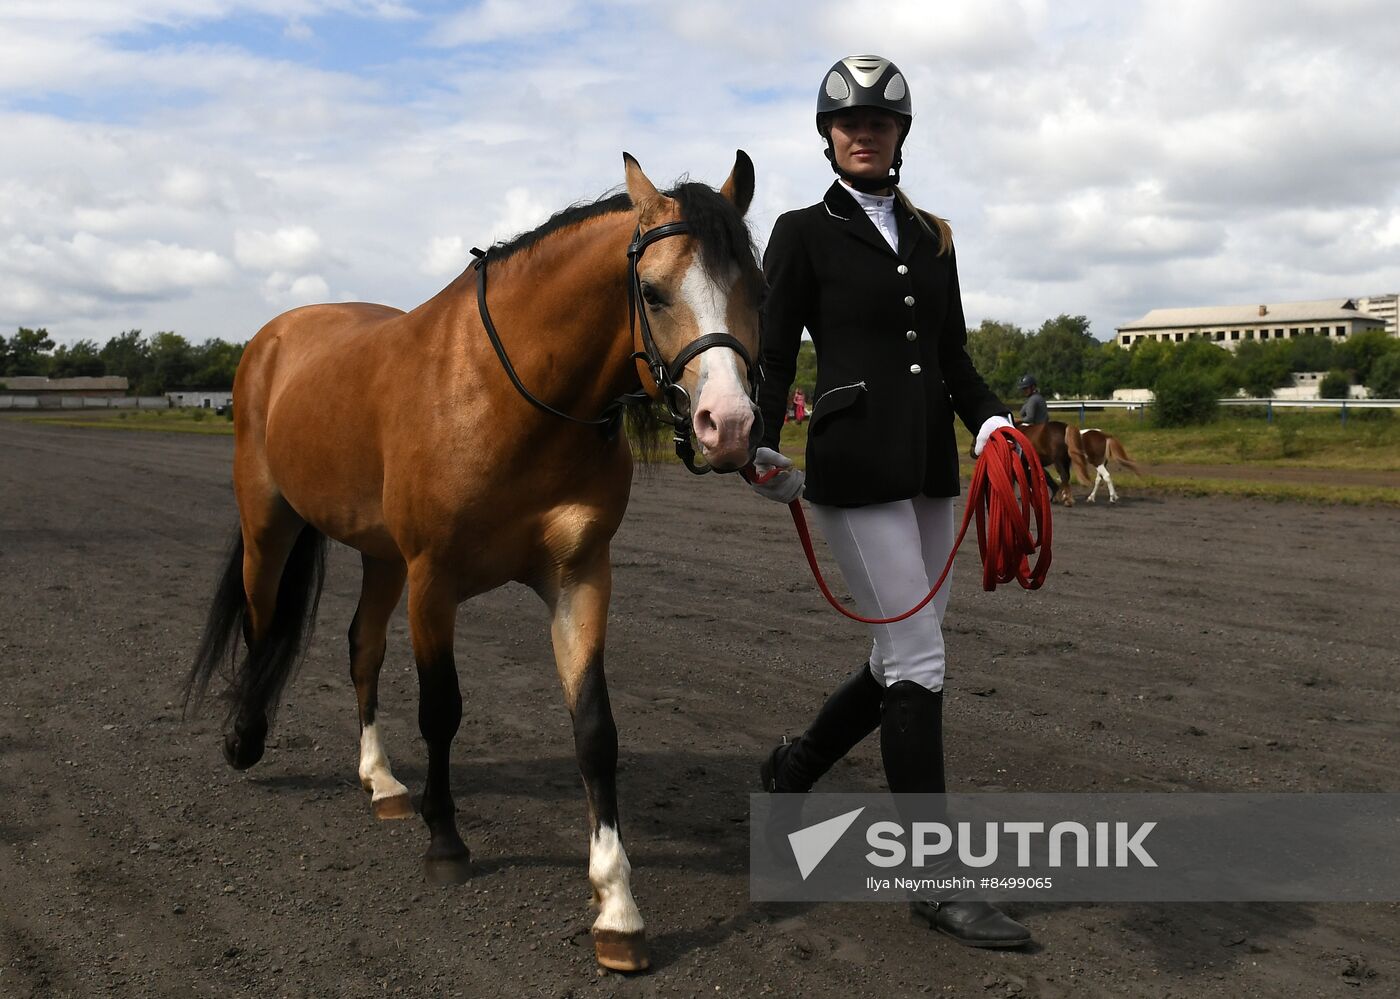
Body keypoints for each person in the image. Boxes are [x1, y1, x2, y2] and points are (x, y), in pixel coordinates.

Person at [747, 54, 1030, 949]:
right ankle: (936, 879)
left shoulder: (934, 235)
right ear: (828, 136)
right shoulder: (798, 231)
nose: (863, 131)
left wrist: (990, 427)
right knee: (919, 658)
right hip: (853, 467)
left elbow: (953, 360)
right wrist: (759, 436)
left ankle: (790, 773)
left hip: (927, 467)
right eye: (848, 122)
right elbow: (777, 354)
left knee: (897, 657)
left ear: (901, 134)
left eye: (879, 120)